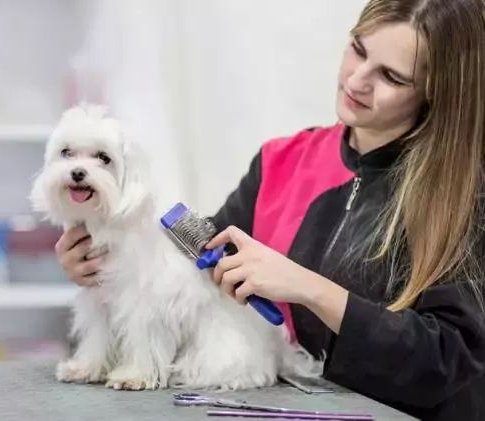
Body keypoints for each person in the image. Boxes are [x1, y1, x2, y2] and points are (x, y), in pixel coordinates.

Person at [53, 0, 485, 419]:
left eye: (391, 76)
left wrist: (309, 288)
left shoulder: (461, 198)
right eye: (358, 49)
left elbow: (449, 361)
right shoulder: (281, 161)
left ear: (436, 93)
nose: (357, 81)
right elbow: (203, 265)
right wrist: (109, 256)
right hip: (298, 402)